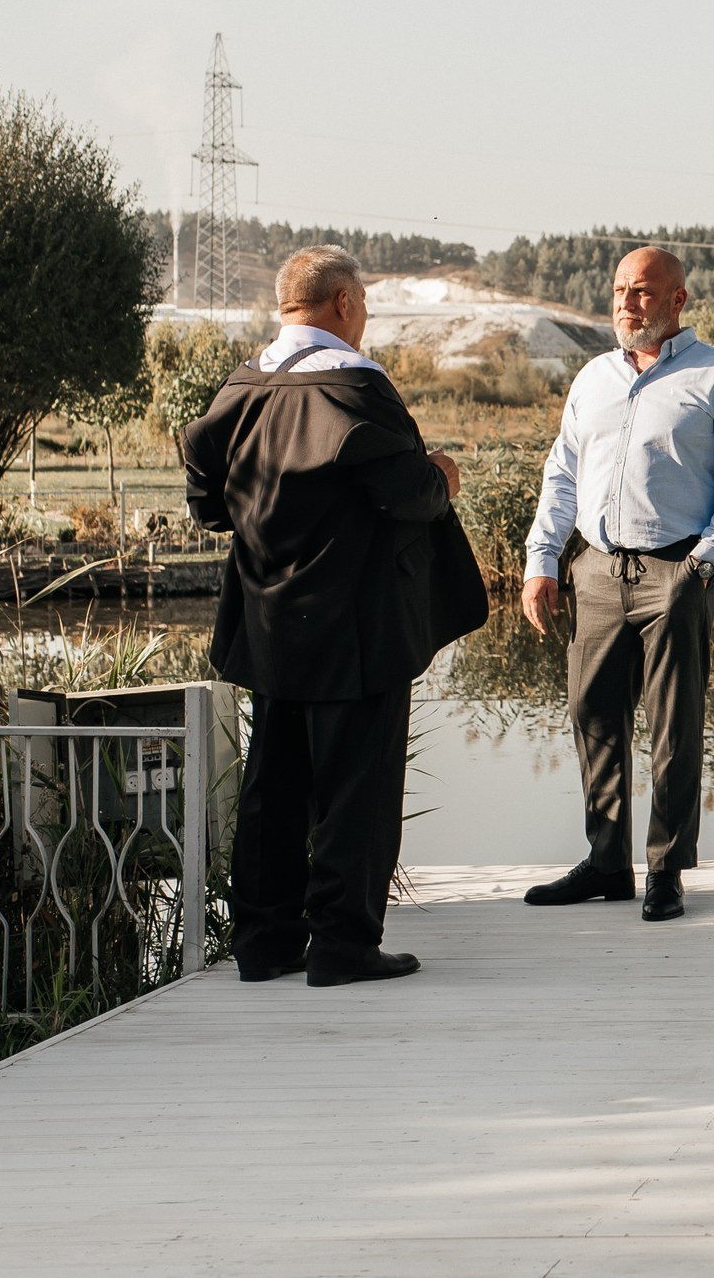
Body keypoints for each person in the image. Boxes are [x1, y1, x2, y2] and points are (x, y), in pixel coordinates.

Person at [184, 245, 488, 987]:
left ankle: (264, 943)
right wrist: (442, 476)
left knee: (273, 784)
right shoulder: (354, 386)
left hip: (267, 620)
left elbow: (209, 505)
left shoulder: (241, 388)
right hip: (356, 626)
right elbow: (405, 493)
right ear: (344, 303)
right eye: (365, 306)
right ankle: (344, 946)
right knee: (358, 786)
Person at [519, 246, 714, 922]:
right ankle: (607, 863)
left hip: (677, 569)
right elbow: (562, 474)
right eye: (620, 291)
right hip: (597, 568)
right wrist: (543, 560)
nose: (628, 304)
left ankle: (666, 869)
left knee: (673, 726)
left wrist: (705, 562)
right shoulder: (593, 378)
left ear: (678, 299)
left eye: (643, 292)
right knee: (593, 717)